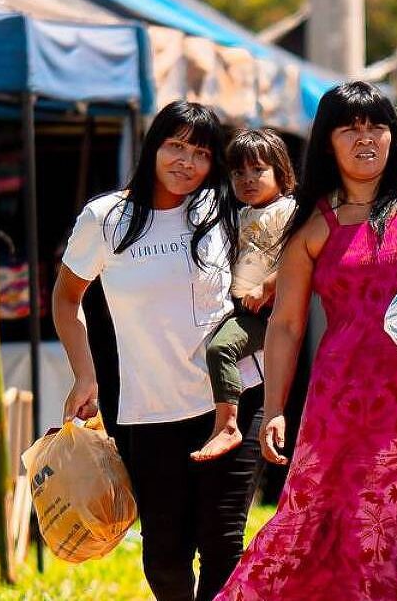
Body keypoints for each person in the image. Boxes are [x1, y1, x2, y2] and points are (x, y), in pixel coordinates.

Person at [214, 81, 397, 600]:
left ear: (394, 137)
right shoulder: (311, 225)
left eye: (377, 125)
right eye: (349, 127)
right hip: (343, 410)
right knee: (333, 532)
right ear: (328, 142)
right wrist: (276, 407)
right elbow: (285, 325)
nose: (364, 137)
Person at [54, 102, 264, 601]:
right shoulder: (106, 218)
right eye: (176, 145)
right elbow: (66, 299)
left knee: (223, 547)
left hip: (232, 403)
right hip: (149, 411)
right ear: (154, 146)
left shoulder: (222, 211)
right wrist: (85, 375)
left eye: (201, 153)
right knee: (165, 558)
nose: (186, 162)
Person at [192, 129, 296, 461]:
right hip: (240, 307)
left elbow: (301, 260)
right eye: (238, 172)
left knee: (220, 348)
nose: (247, 179)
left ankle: (228, 425)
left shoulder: (290, 210)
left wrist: (266, 287)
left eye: (258, 170)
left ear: (281, 172)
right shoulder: (238, 213)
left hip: (270, 312)